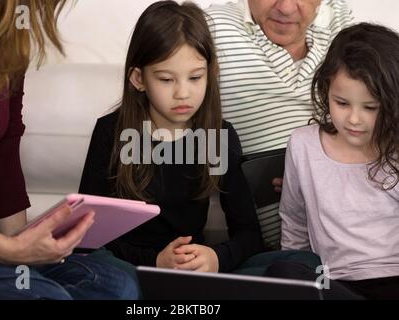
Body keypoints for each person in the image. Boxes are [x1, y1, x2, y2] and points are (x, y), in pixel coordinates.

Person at [0, 0, 138, 299]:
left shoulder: (7, 38)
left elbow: (2, 153)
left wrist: (27, 249)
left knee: (118, 285)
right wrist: (5, 250)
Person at [79, 1, 265, 275]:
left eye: (195, 77)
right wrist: (154, 261)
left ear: (212, 74)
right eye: (166, 79)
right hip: (125, 269)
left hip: (190, 273)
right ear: (139, 79)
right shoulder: (111, 132)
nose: (182, 93)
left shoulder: (218, 136)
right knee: (117, 285)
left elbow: (249, 234)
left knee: (294, 266)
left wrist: (215, 257)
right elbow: (88, 236)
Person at [206, 0, 353, 249]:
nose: (285, 8)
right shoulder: (213, 27)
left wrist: (317, 175)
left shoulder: (341, 24)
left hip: (351, 233)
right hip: (259, 245)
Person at [277, 23, 399, 299]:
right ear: (325, 91)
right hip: (334, 282)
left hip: (393, 277)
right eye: (342, 103)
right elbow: (294, 221)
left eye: (370, 108)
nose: (354, 119)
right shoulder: (303, 144)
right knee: (285, 273)